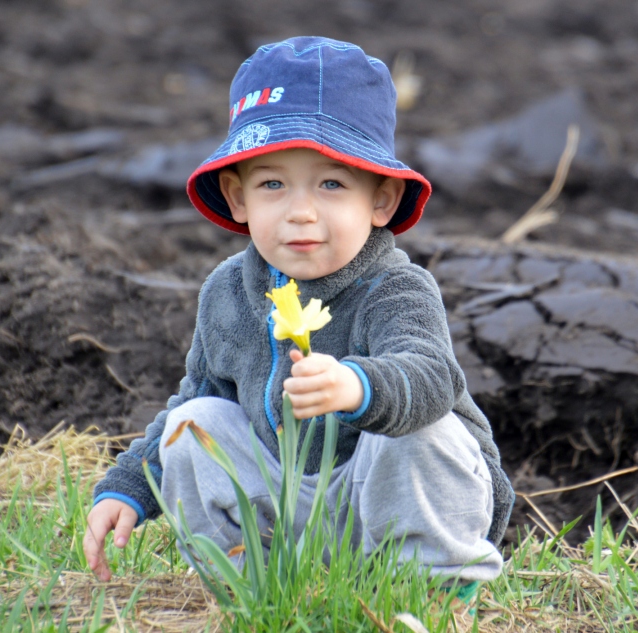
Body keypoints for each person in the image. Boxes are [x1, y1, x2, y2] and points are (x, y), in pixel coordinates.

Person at [83, 36, 514, 594]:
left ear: (380, 200)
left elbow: (431, 375)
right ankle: (252, 584)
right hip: (286, 507)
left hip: (379, 499)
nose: (301, 212)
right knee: (195, 427)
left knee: (422, 428)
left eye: (332, 184)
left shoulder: (395, 288)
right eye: (273, 185)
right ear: (239, 199)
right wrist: (129, 489)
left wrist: (359, 386)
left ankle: (432, 590)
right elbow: (196, 396)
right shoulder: (226, 294)